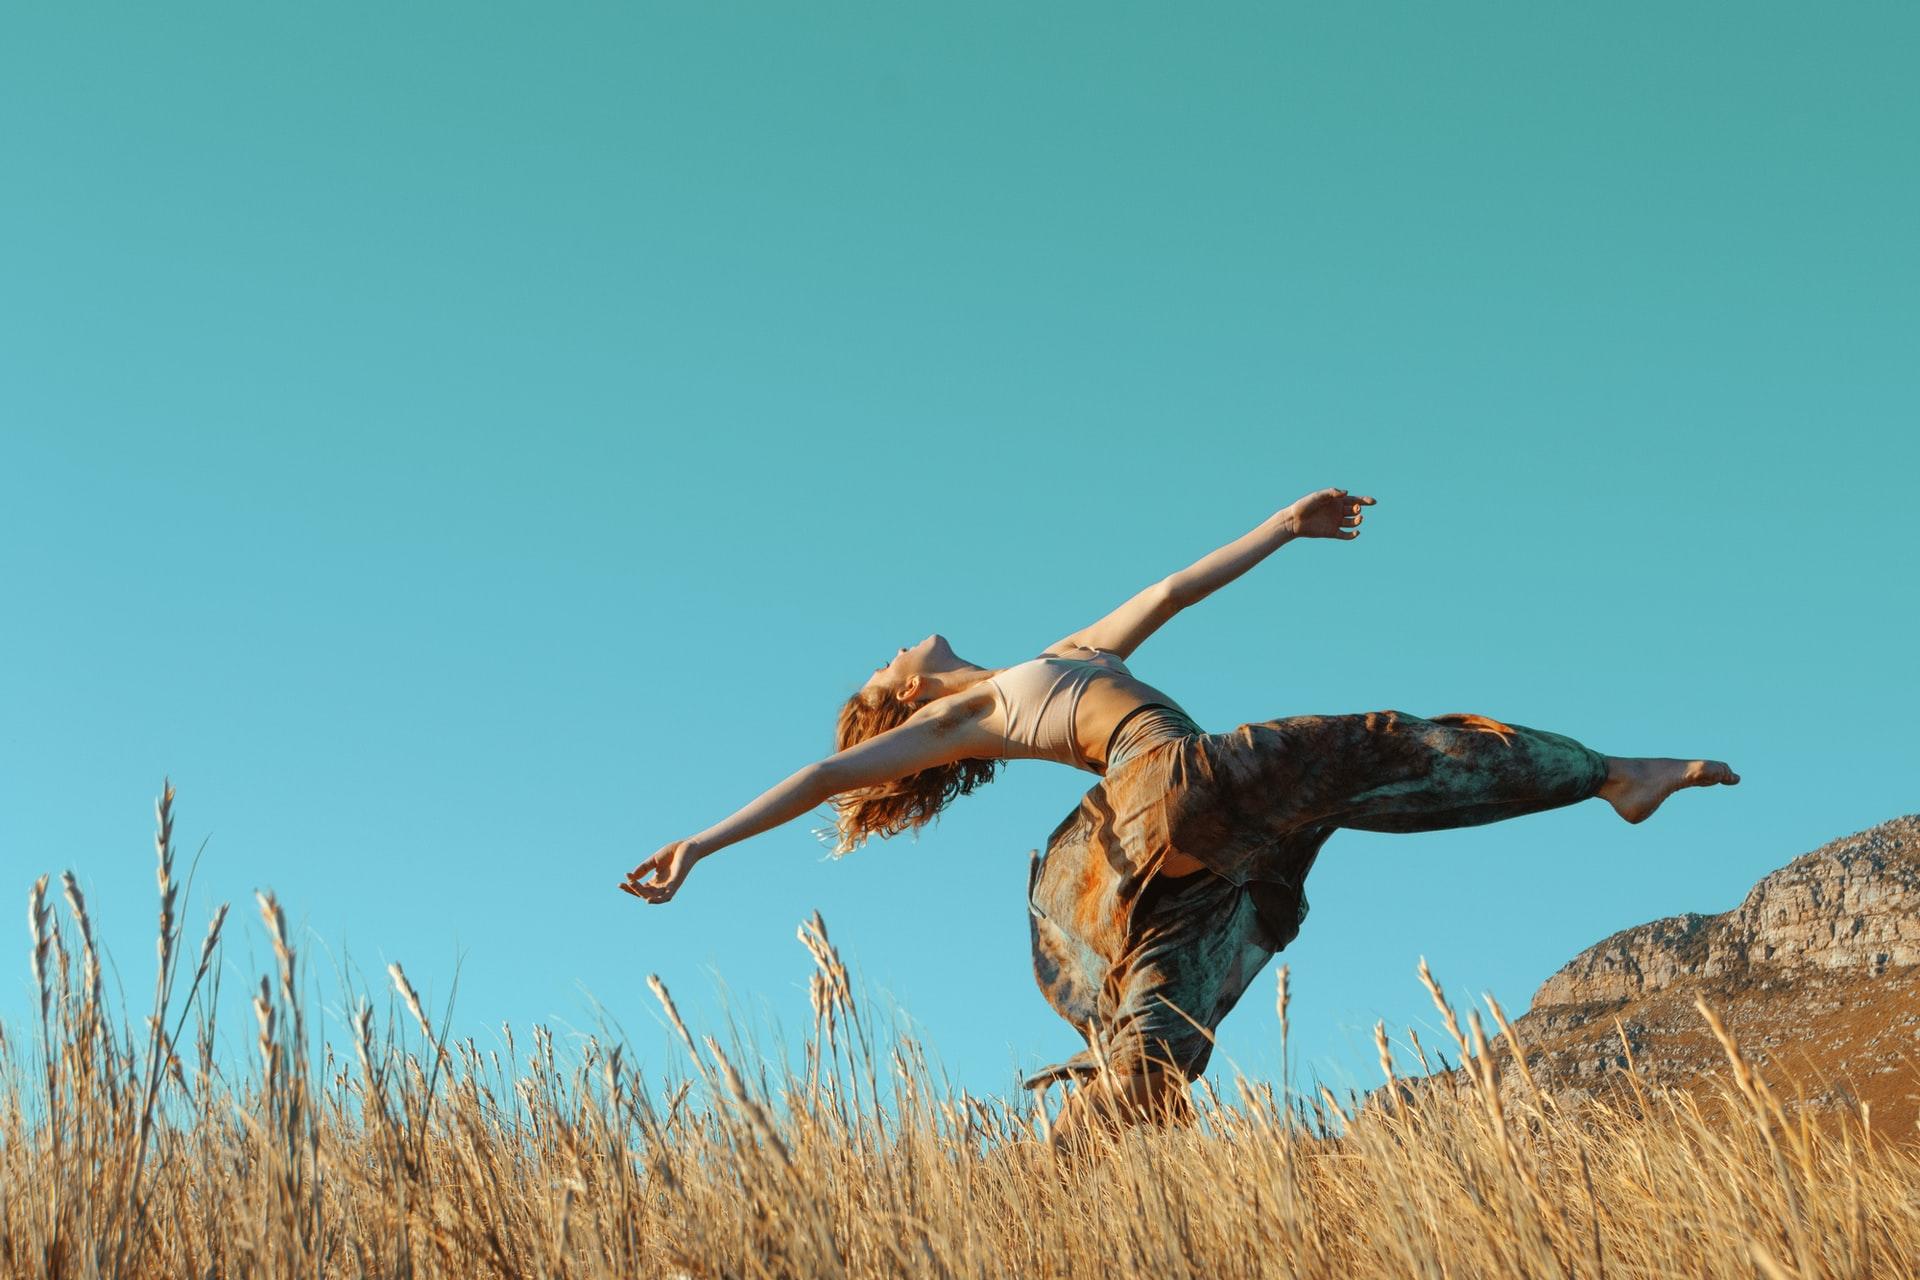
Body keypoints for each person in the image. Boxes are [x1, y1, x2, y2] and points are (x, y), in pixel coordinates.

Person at [620, 487, 1739, 1154]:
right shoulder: (963, 712)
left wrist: (1282, 526)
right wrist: (701, 845)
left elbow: (1171, 587)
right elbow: (825, 774)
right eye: (884, 663)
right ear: (906, 694)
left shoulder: (1058, 655)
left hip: (1215, 838)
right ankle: (1610, 775)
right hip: (1174, 785)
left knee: (1172, 1019)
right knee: (1372, 742)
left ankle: (1055, 1167)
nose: (896, 642)